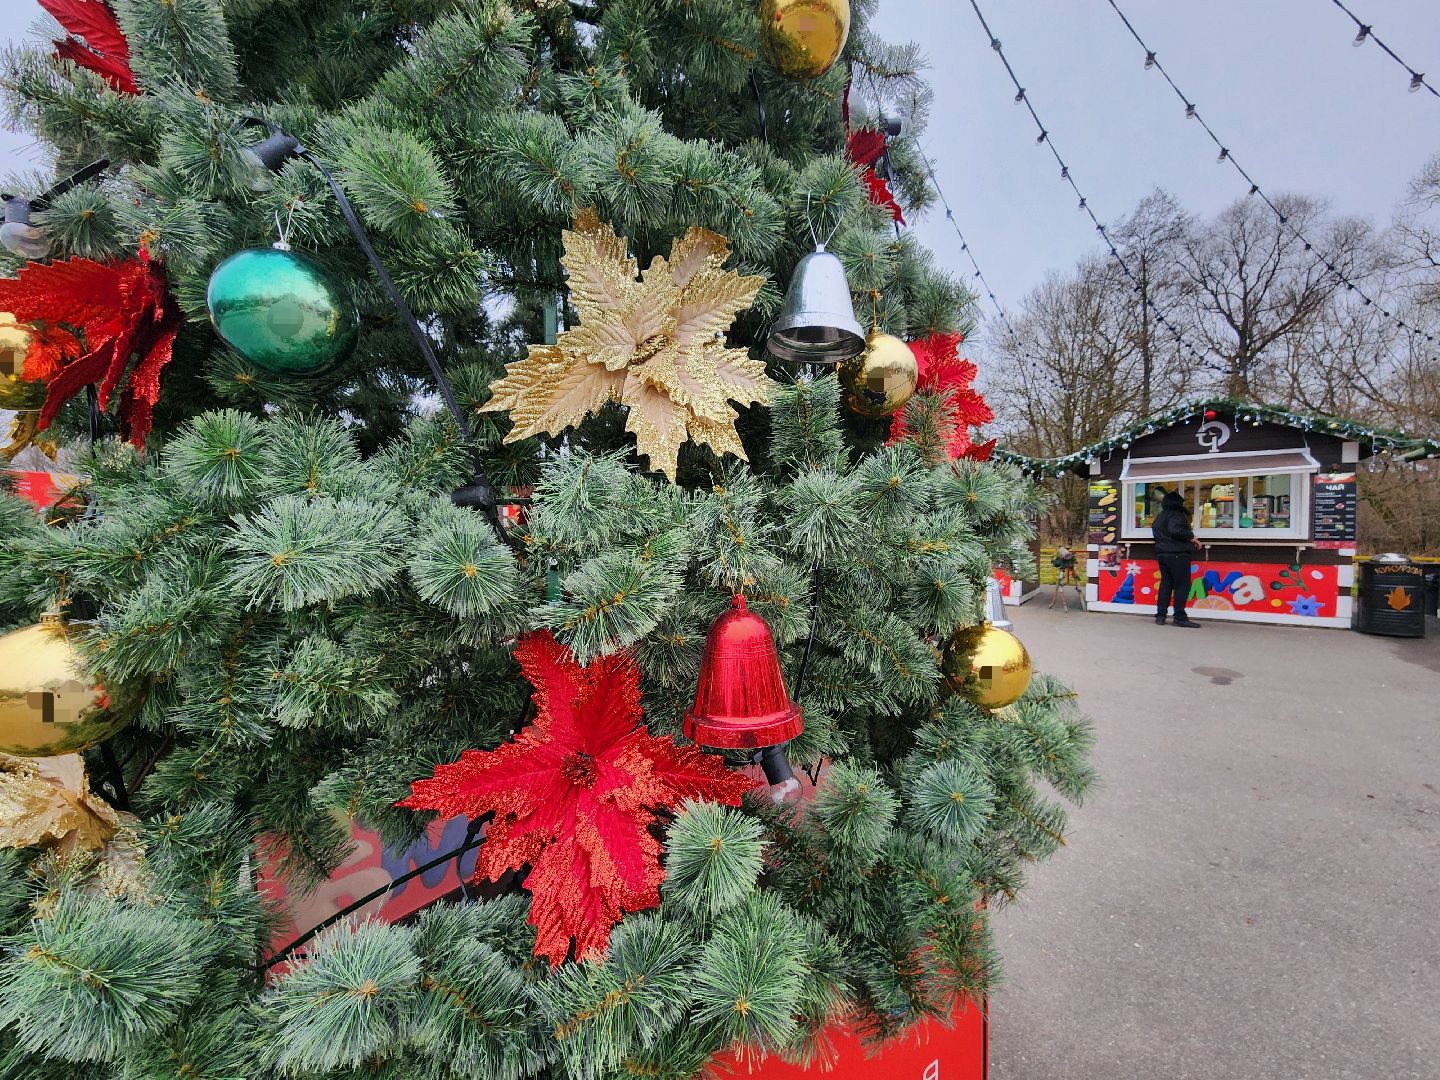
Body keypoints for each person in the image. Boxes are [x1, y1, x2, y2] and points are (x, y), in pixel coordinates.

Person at [1152, 489, 1202, 627]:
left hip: (1162, 554)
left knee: (1166, 585)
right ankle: (1179, 617)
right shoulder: (1176, 515)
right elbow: (1176, 529)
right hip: (1178, 554)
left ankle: (1161, 616)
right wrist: (1192, 537)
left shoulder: (1160, 516)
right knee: (1182, 586)